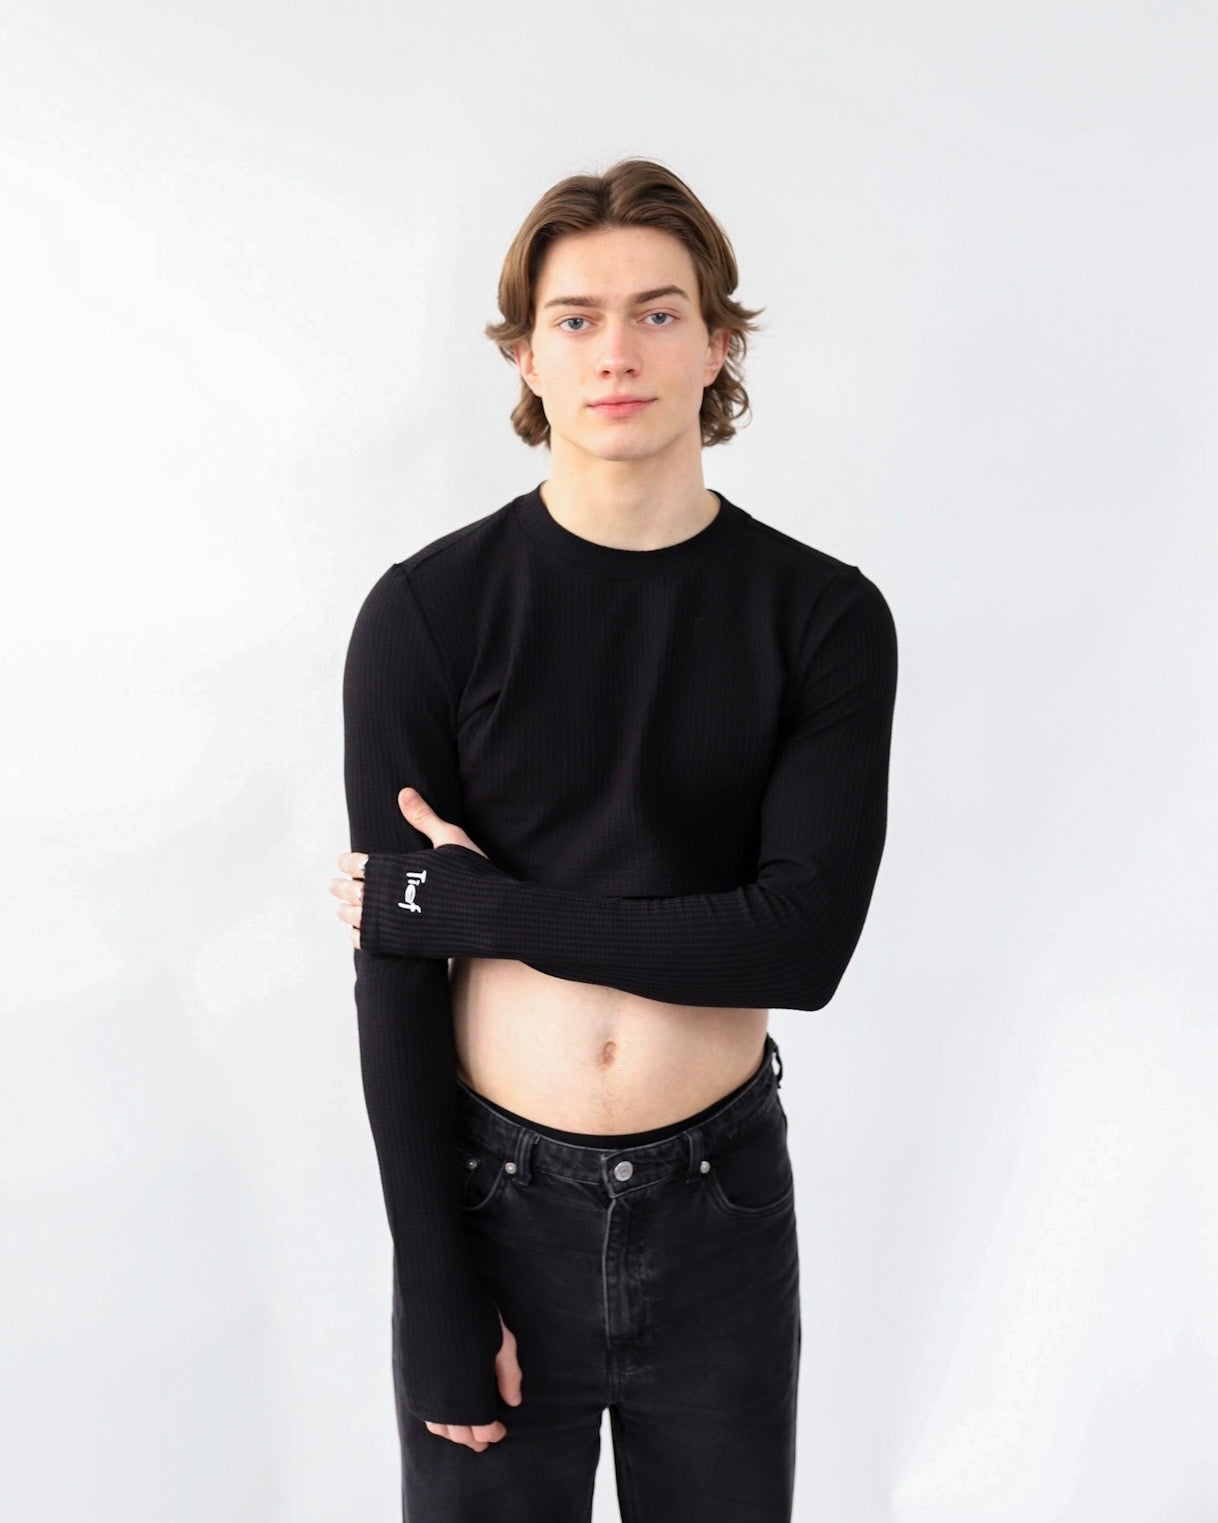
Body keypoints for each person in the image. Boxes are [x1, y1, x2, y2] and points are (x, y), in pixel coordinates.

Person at [329, 157, 898, 1521]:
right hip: (496, 1204)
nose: (618, 352)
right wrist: (435, 1286)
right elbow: (393, 973)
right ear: (526, 357)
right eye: (576, 319)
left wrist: (490, 911)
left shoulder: (820, 617)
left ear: (717, 343)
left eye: (658, 312)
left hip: (718, 1210)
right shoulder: (426, 613)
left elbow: (799, 945)